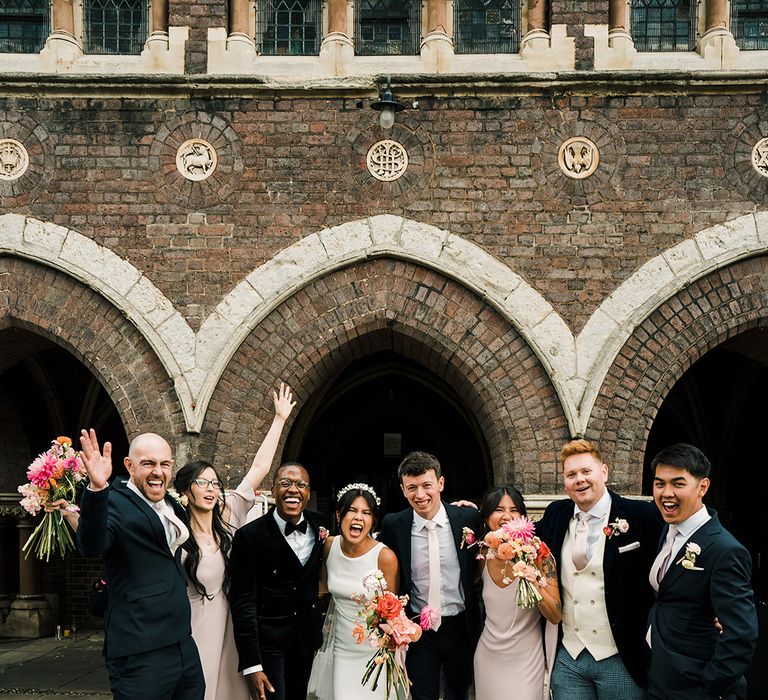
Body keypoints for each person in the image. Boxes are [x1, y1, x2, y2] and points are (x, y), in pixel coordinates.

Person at [174, 383, 297, 700]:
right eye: (202, 483)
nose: (211, 489)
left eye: (215, 483)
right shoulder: (174, 532)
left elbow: (259, 469)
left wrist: (280, 419)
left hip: (232, 627)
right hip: (193, 628)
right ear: (186, 492)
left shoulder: (227, 518)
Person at [76, 428, 205, 700]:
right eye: (148, 463)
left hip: (182, 641)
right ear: (129, 466)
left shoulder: (171, 503)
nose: (158, 471)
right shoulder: (114, 501)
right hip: (141, 648)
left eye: (164, 464)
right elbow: (91, 545)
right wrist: (98, 489)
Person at [536, 438, 662, 700]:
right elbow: (521, 536)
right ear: (565, 481)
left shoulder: (641, 515)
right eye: (571, 474)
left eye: (586, 471)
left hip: (622, 657)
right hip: (568, 658)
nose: (579, 480)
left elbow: (673, 559)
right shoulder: (556, 514)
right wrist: (470, 514)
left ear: (603, 472)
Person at [646, 443, 757, 700]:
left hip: (695, 687)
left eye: (678, 483)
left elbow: (741, 634)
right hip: (659, 679)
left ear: (703, 487)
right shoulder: (666, 531)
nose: (666, 493)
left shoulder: (725, 550)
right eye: (659, 483)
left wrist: (708, 686)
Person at [378, 451, 482, 700]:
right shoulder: (394, 525)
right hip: (418, 629)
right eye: (412, 488)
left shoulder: (467, 518)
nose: (420, 495)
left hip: (459, 625)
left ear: (441, 483)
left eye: (427, 485)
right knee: (422, 695)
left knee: (459, 692)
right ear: (403, 490)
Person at [229, 461, 325, 700]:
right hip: (268, 645)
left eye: (300, 484)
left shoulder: (320, 524)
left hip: (305, 642)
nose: (293, 489)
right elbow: (242, 603)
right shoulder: (248, 537)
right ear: (273, 490)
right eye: (285, 483)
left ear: (308, 492)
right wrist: (251, 664)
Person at [473, 485, 562, 700]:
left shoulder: (539, 554)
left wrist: (534, 582)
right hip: (488, 658)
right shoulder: (480, 555)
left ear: (523, 517)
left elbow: (556, 615)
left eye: (513, 510)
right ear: (486, 517)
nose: (506, 516)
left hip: (527, 660)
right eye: (498, 509)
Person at [318, 483, 399, 699]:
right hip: (341, 650)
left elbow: (393, 613)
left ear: (373, 520)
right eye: (352, 511)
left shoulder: (385, 557)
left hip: (375, 654)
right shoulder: (329, 546)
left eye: (366, 513)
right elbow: (322, 590)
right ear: (338, 515)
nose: (358, 518)